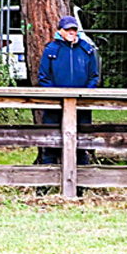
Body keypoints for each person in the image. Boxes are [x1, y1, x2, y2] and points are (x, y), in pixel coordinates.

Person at [37, 15, 100, 167]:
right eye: (68, 29)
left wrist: (84, 95)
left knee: (81, 146)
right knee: (50, 145)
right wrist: (56, 97)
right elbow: (43, 77)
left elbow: (94, 76)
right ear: (60, 31)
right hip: (54, 107)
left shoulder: (87, 50)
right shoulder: (51, 50)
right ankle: (46, 185)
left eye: (74, 29)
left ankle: (81, 187)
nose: (72, 32)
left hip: (81, 106)